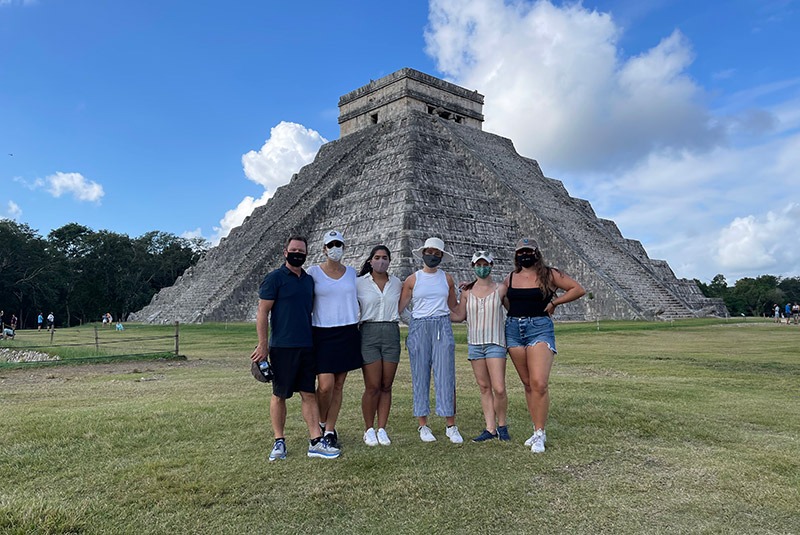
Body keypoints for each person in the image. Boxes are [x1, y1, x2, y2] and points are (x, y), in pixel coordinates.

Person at [250, 235, 340, 461]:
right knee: (279, 394)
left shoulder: (309, 281)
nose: (297, 253)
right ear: (285, 252)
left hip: (306, 345)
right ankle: (279, 441)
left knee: (308, 393)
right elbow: (262, 312)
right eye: (294, 250)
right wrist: (263, 345)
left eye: (301, 251)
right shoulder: (274, 279)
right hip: (282, 346)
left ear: (306, 254)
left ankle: (315, 441)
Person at [505, 238, 585, 453]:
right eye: (521, 252)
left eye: (528, 251)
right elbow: (498, 294)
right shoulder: (511, 277)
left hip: (539, 327)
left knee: (539, 382)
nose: (524, 255)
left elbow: (577, 289)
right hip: (513, 329)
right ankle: (535, 429)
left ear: (536, 253)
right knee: (528, 384)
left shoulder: (549, 274)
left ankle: (540, 432)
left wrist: (554, 303)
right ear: (516, 255)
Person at [398, 237, 463, 444]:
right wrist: (415, 323)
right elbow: (401, 309)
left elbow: (453, 307)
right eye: (430, 252)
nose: (432, 256)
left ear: (441, 256)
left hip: (442, 325)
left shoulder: (447, 279)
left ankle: (451, 425)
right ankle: (423, 424)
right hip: (420, 326)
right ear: (423, 252)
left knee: (446, 375)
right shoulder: (412, 279)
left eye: (437, 254)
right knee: (420, 375)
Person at [306, 230, 363, 450]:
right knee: (325, 385)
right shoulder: (313, 272)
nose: (335, 248)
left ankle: (330, 429)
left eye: (338, 244)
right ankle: (320, 422)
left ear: (344, 247)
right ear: (324, 249)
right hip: (322, 331)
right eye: (331, 245)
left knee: (338, 385)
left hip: (347, 330)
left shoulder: (352, 273)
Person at [451, 250, 510, 442]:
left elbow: (513, 309)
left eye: (485, 264)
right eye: (478, 265)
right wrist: (437, 307)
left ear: (492, 266)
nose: (482, 268)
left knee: (499, 388)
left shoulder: (501, 289)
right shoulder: (467, 291)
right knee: (484, 387)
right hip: (475, 343)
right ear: (473, 266)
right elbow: (460, 316)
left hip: (495, 342)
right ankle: (490, 428)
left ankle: (502, 426)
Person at [356, 245, 402, 446]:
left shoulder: (397, 283)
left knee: (386, 385)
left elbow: (404, 310)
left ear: (390, 261)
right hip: (369, 333)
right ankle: (369, 429)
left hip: (391, 332)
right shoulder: (359, 283)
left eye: (385, 257)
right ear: (370, 260)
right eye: (377, 257)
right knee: (372, 386)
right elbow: (353, 310)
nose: (381, 261)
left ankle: (382, 428)